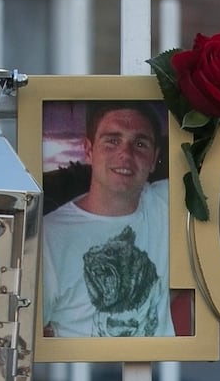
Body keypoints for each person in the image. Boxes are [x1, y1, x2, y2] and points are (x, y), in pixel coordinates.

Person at [42, 101, 174, 338]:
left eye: (140, 144)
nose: (125, 154)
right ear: (89, 150)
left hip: (162, 371)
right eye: (112, 140)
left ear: (154, 159)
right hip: (84, 373)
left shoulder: (166, 203)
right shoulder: (48, 235)